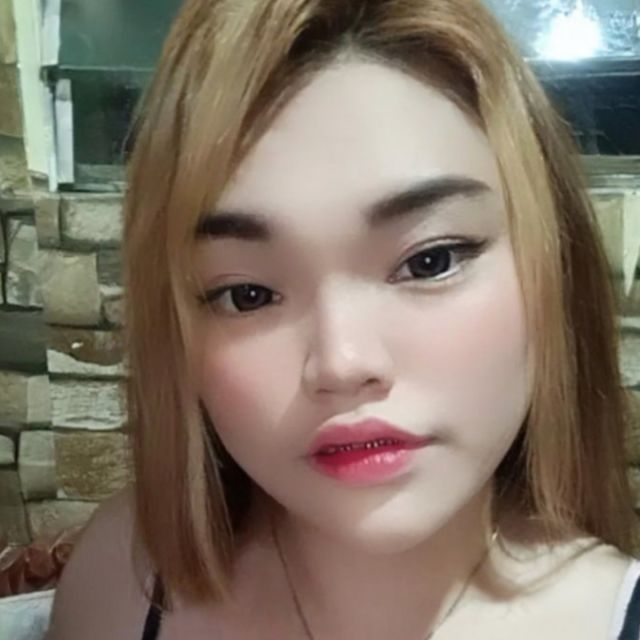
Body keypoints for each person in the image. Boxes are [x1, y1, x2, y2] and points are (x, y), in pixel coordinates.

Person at [46, 1, 640, 638]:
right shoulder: (122, 579)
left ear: (552, 267)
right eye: (247, 295)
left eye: (431, 261)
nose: (343, 363)